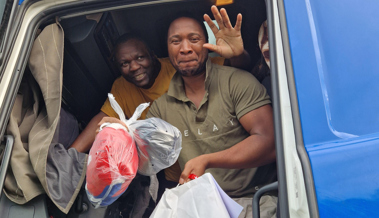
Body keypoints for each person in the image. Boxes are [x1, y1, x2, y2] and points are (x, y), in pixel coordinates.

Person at [100, 7, 277, 218]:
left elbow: (270, 144)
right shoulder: (160, 109)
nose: (185, 48)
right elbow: (143, 156)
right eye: (176, 41)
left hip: (254, 200)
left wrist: (207, 160)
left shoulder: (236, 82)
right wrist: (117, 137)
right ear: (167, 49)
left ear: (205, 44)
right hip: (199, 206)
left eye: (193, 39)